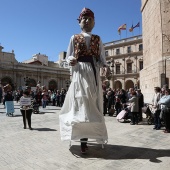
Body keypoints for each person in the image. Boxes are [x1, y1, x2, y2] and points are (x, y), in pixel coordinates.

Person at [59, 7, 109, 154]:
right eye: (83, 19)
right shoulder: (74, 38)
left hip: (92, 73)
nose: (86, 21)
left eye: (89, 19)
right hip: (80, 72)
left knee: (91, 102)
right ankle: (82, 140)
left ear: (94, 22)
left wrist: (106, 67)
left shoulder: (98, 39)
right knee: (81, 102)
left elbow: (101, 59)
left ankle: (86, 137)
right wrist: (71, 60)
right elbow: (68, 56)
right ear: (79, 22)